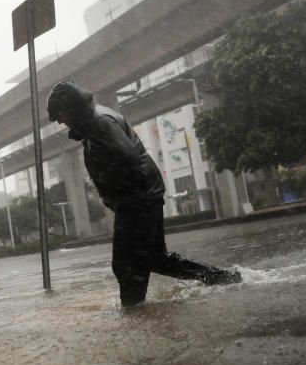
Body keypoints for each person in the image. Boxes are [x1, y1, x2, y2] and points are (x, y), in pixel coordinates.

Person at [46, 80, 241, 307]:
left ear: (72, 108)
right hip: (144, 194)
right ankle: (224, 278)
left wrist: (116, 190)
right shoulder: (94, 120)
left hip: (136, 199)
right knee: (156, 260)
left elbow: (127, 157)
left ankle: (134, 314)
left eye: (60, 114)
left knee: (125, 264)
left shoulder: (98, 123)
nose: (59, 121)